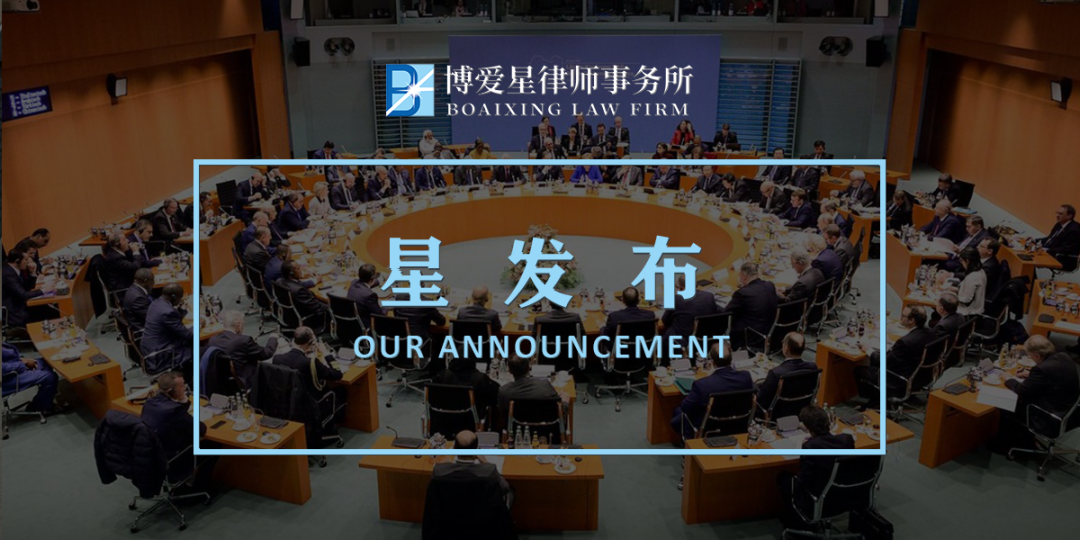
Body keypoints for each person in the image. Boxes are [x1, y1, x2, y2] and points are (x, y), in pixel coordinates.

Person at [776, 405, 855, 531]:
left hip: (818, 497)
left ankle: (796, 519)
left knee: (783, 477)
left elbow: (802, 481)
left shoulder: (810, 447)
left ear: (807, 427)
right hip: (845, 495)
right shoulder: (847, 439)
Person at [999, 335, 1080, 446]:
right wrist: (1031, 375)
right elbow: (1054, 375)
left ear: (1037, 355)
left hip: (1049, 418)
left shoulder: (1041, 369)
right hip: (1070, 412)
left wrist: (1008, 378)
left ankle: (1010, 444)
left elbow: (1021, 389)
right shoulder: (1064, 356)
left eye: (1030, 355)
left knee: (1006, 406)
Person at [142, 370, 217, 489]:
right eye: (182, 386)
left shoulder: (150, 402)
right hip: (174, 458)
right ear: (171, 391)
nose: (185, 388)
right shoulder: (174, 411)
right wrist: (183, 401)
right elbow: (201, 429)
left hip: (151, 455)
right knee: (213, 444)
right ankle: (197, 487)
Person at [671, 342, 754, 440]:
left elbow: (685, 407)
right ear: (731, 359)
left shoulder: (702, 385)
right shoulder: (746, 377)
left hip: (709, 428)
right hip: (737, 426)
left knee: (679, 411)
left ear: (712, 361)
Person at [856, 306, 934, 403]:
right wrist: (894, 344)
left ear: (911, 320)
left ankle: (875, 402)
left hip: (898, 380)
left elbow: (884, 362)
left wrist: (868, 350)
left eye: (903, 316)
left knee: (860, 370)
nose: (900, 317)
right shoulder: (930, 332)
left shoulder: (905, 342)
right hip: (920, 377)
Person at [431, 431, 512, 507]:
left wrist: (446, 465)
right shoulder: (489, 470)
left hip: (449, 514)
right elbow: (505, 488)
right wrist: (485, 462)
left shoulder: (439, 470)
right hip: (481, 514)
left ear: (454, 449)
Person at [208, 310, 279, 390]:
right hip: (246, 380)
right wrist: (273, 338)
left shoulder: (212, 340)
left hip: (223, 381)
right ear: (239, 325)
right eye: (243, 324)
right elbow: (266, 353)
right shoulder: (244, 341)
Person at [272, 326, 343, 400]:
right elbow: (338, 374)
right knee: (341, 391)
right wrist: (326, 353)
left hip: (286, 399)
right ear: (311, 342)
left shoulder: (277, 358)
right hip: (309, 402)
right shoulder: (311, 363)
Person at [757, 334, 816, 416]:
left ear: (786, 348)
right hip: (802, 411)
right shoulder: (813, 367)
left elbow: (761, 398)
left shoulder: (775, 373)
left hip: (777, 413)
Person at [497, 354, 561, 430]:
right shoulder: (544, 384)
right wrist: (565, 401)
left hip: (517, 431)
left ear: (509, 371)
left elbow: (503, 413)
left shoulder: (504, 391)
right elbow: (558, 410)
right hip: (545, 430)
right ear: (529, 368)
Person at [725, 263, 778, 352]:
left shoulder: (742, 293)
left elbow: (727, 314)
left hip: (749, 336)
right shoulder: (770, 285)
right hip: (768, 330)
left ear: (744, 276)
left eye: (739, 275)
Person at [141, 284, 193, 374]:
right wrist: (199, 325)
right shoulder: (167, 312)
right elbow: (188, 335)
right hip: (161, 354)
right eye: (180, 297)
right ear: (174, 297)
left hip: (150, 348)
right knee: (197, 346)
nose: (181, 300)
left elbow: (175, 321)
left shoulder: (156, 303)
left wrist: (181, 308)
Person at [433, 350, 500, 421]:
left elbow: (432, 397)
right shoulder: (481, 379)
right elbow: (496, 395)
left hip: (443, 420)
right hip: (472, 422)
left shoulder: (442, 376)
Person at [2, 341, 59, 413]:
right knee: (49, 377)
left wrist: (22, 360)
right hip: (7, 379)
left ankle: (47, 396)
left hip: (14, 368)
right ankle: (40, 407)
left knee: (46, 362)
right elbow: (3, 368)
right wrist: (24, 363)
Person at [276, 262, 328, 332]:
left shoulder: (280, 281)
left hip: (287, 316)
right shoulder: (299, 290)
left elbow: (298, 284)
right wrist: (331, 305)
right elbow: (318, 307)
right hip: (308, 320)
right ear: (291, 274)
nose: (301, 270)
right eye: (298, 268)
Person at [2, 250, 44, 328]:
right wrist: (44, 290)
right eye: (26, 260)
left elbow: (28, 288)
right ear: (17, 261)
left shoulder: (14, 269)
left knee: (44, 308)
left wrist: (32, 273)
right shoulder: (7, 274)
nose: (28, 262)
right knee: (42, 312)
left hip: (19, 303)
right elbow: (23, 294)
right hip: (13, 310)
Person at [1035, 204, 1080, 271]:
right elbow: (1050, 239)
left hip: (1063, 259)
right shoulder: (1059, 224)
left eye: (1060, 214)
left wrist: (1046, 250)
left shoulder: (1074, 230)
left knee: (1031, 259)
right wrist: (1035, 240)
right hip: (1051, 253)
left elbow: (1066, 249)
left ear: (1069, 216)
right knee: (1029, 256)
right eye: (1057, 213)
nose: (1057, 215)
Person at [954, 248, 987, 317]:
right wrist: (954, 290)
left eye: (962, 260)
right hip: (977, 309)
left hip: (967, 312)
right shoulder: (981, 271)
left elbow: (966, 300)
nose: (961, 263)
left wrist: (952, 296)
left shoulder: (973, 277)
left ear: (967, 261)